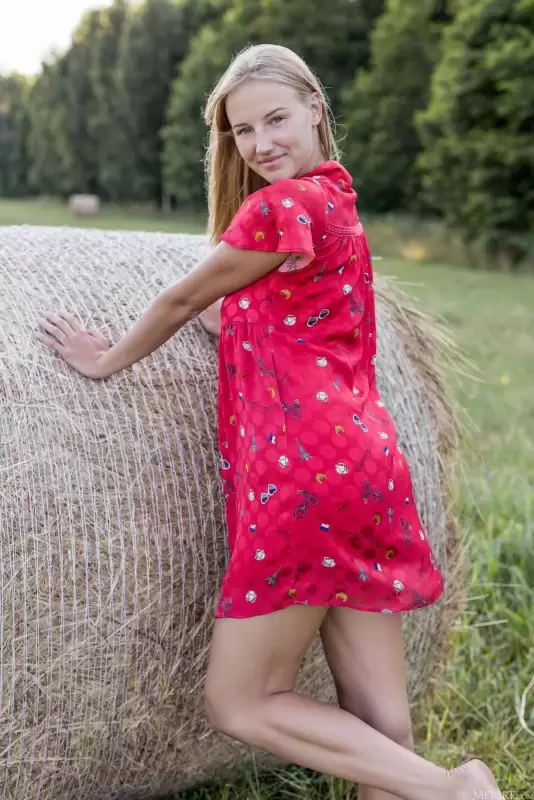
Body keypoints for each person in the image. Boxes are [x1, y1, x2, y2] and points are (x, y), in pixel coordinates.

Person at [37, 43, 502, 800]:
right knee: (382, 720)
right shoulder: (337, 204)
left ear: (316, 109)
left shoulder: (278, 207)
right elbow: (260, 320)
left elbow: (182, 300)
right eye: (243, 130)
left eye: (276, 119)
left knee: (240, 701)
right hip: (368, 465)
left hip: (302, 474)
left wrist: (106, 360)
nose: (260, 143)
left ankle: (456, 791)